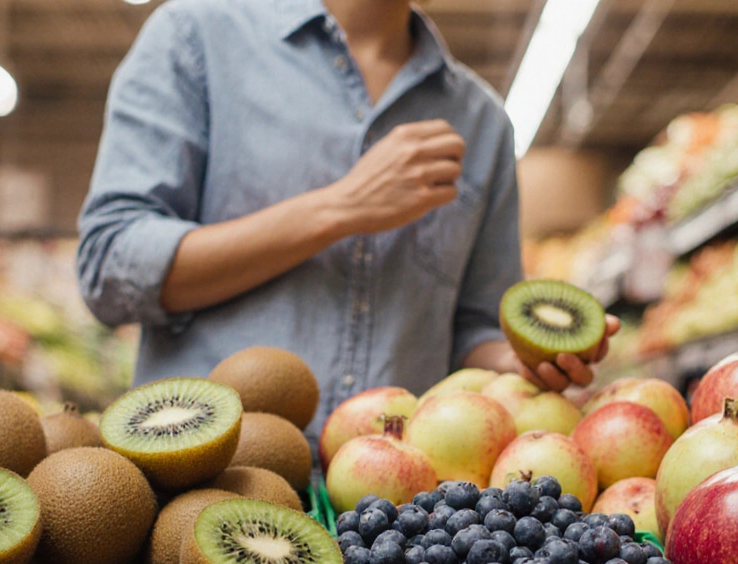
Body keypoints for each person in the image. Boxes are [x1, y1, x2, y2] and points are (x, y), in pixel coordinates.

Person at [77, 0, 618, 442]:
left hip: (399, 518)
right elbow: (110, 266)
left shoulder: (482, 120)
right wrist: (340, 208)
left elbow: (473, 329)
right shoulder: (195, 37)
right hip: (200, 485)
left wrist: (524, 363)